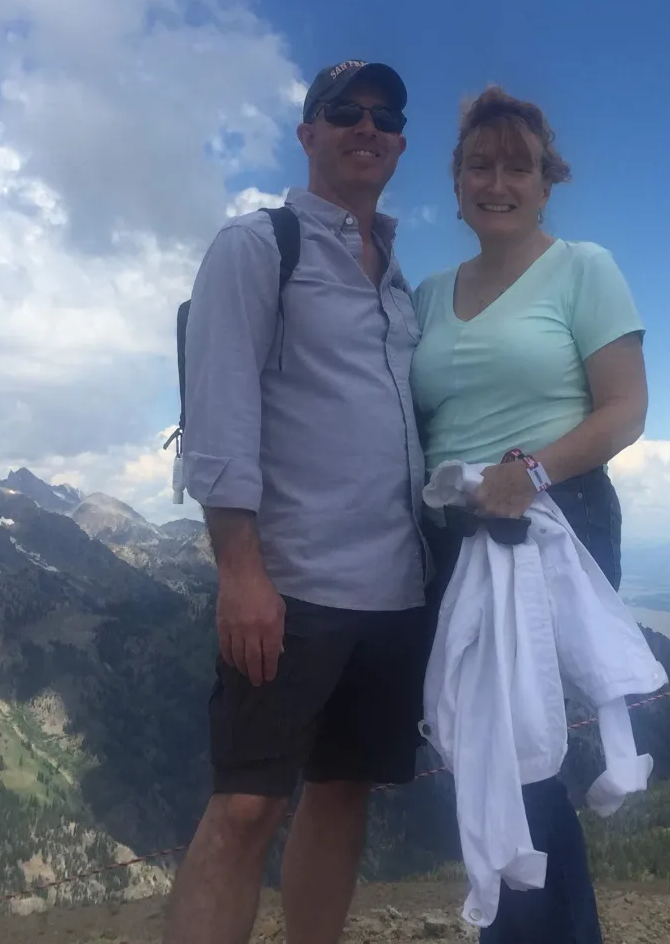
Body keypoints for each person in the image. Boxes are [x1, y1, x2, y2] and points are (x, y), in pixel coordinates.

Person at [162, 61, 432, 944]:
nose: (366, 126)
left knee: (344, 790)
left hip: (394, 591)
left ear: (399, 141)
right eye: (342, 112)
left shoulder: (396, 279)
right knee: (244, 808)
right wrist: (240, 572)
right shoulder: (258, 245)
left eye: (384, 116)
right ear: (308, 133)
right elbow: (219, 412)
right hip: (293, 586)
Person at [410, 85, 648, 944]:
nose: (498, 181)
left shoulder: (584, 267)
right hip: (451, 540)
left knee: (523, 758)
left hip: (551, 529)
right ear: (458, 181)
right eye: (481, 165)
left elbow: (624, 409)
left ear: (548, 181)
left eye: (519, 166)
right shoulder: (432, 294)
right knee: (479, 756)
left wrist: (531, 473)